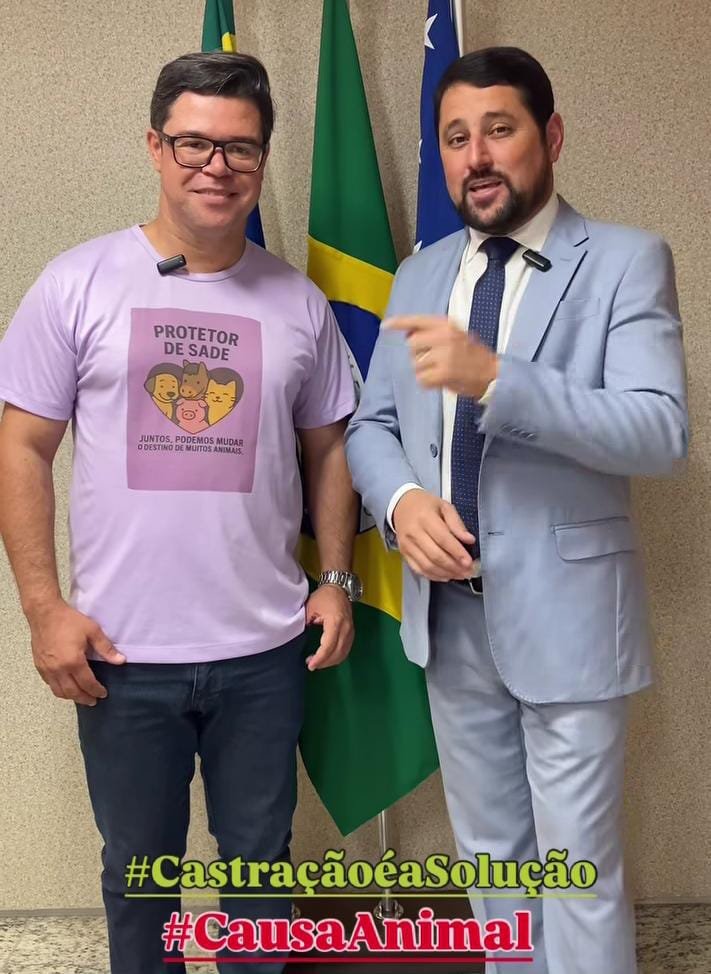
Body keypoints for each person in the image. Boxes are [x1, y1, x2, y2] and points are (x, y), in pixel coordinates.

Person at [0, 52, 361, 974]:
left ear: (262, 160)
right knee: (138, 877)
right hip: (121, 657)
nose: (216, 165)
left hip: (264, 651)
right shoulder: (77, 283)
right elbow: (22, 447)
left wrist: (335, 578)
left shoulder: (298, 302)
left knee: (260, 869)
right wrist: (43, 609)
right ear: (155, 147)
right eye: (194, 143)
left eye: (240, 148)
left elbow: (329, 449)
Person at [345, 46, 687, 974]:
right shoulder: (418, 274)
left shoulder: (623, 260)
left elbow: (659, 431)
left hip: (568, 618)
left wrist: (499, 379)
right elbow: (373, 425)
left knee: (575, 872)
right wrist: (401, 501)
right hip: (448, 616)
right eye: (456, 138)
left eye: (498, 129)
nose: (477, 156)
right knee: (492, 863)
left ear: (551, 136)